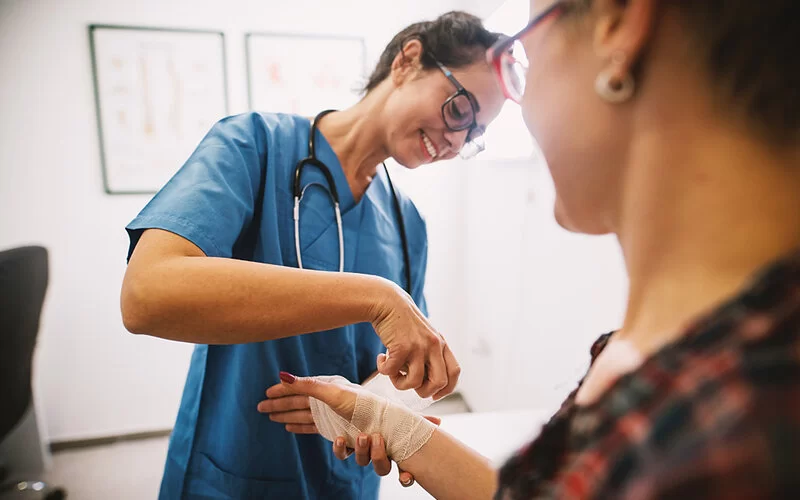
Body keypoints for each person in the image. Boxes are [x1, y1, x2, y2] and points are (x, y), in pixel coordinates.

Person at [261, 0, 800, 498]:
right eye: (463, 108)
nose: (456, 142)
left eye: (526, 56)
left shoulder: (724, 429)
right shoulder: (680, 369)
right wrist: (391, 424)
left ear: (619, 22)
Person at [120, 11, 506, 500]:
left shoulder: (408, 223)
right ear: (408, 60)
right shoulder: (253, 145)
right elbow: (145, 295)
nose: (456, 140)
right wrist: (376, 296)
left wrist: (374, 408)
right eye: (459, 111)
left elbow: (394, 374)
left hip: (348, 477)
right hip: (236, 468)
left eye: (473, 136)